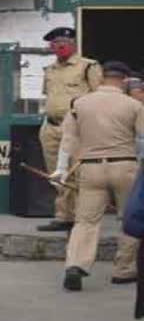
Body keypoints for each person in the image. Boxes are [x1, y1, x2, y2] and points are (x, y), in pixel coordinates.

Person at [60, 61, 143, 291]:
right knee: (129, 218)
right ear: (125, 80)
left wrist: (61, 169)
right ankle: (123, 270)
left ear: (102, 78)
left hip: (90, 167)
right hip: (125, 166)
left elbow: (68, 140)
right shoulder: (133, 105)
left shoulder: (80, 103)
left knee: (85, 221)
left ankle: (75, 265)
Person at [37, 27, 102, 232]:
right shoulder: (49, 70)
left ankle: (82, 217)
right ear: (51, 46)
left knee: (79, 172)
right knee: (57, 174)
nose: (60, 46)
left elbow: (99, 97)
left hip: (76, 127)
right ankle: (64, 216)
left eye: (64, 42)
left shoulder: (88, 66)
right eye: (56, 43)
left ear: (74, 44)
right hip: (51, 126)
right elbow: (47, 96)